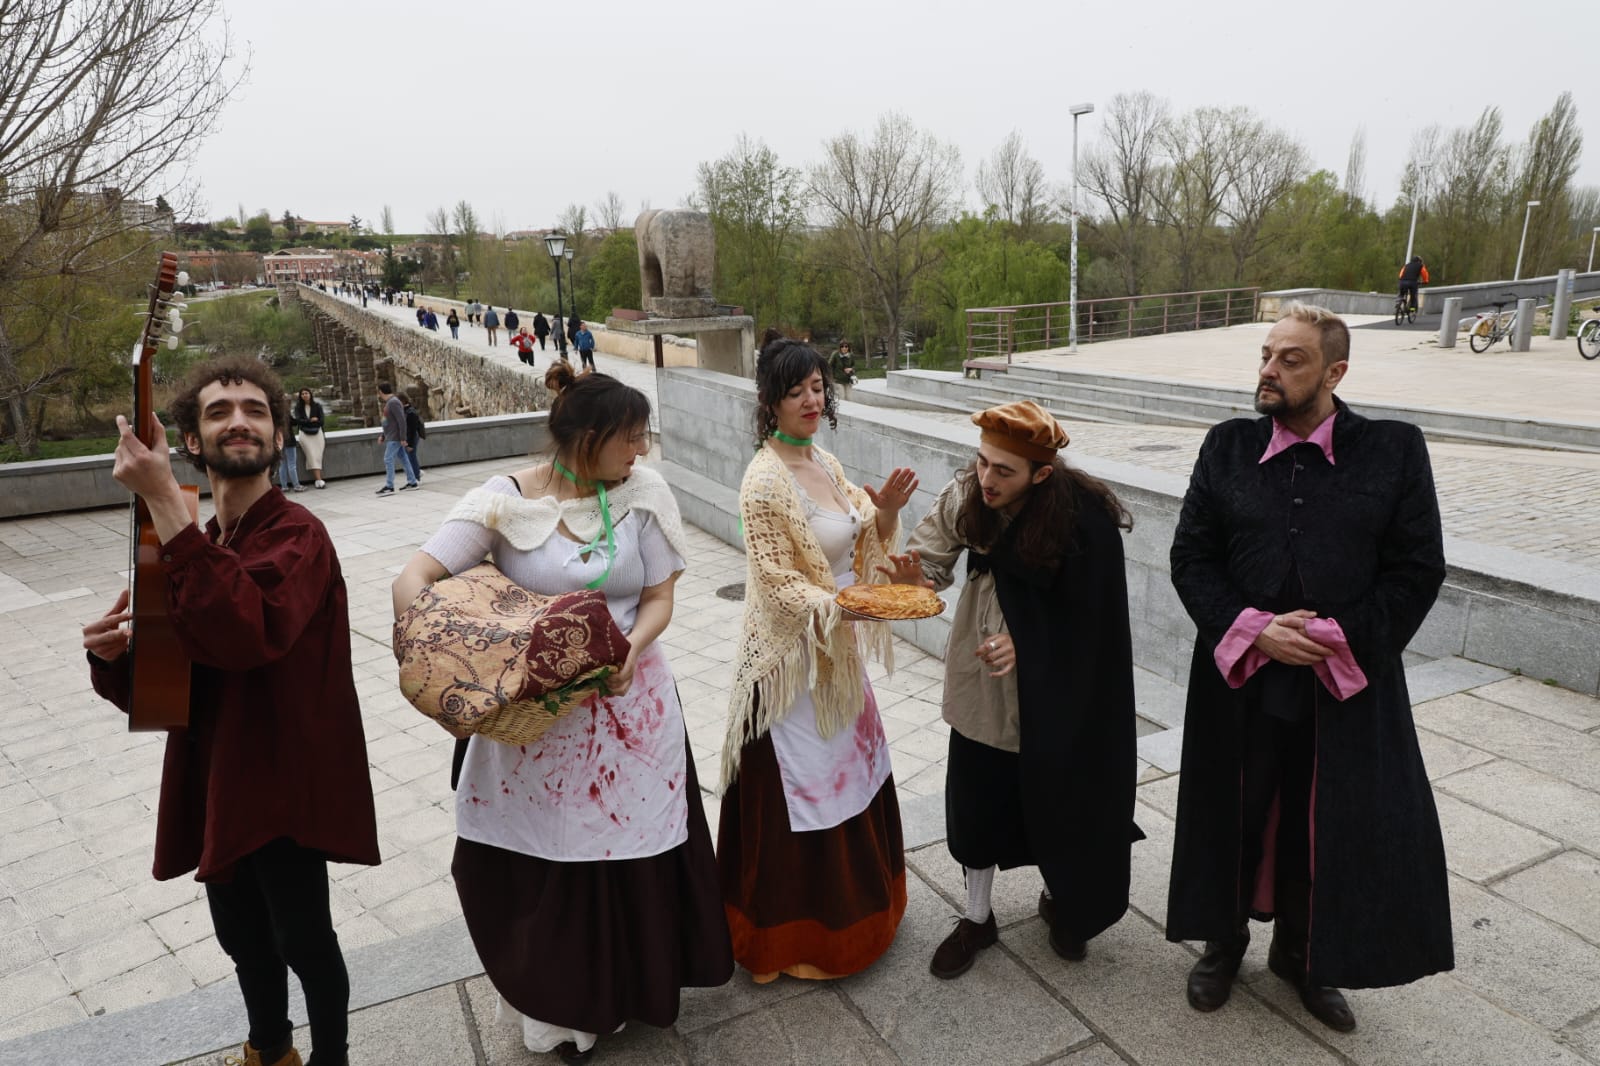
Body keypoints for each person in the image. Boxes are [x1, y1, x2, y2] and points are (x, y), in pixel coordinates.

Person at [391, 363, 733, 1062]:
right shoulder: (504, 502)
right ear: (588, 437)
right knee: (553, 857)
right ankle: (558, 1002)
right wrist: (467, 653)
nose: (640, 453)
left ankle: (630, 989)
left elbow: (660, 598)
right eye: (630, 439)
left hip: (631, 711)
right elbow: (414, 580)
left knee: (629, 850)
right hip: (537, 725)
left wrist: (632, 647)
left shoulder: (644, 495)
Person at [82, 355, 379, 1066]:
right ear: (190, 440)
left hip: (282, 776)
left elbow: (245, 631)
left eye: (255, 409)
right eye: (218, 411)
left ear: (279, 433)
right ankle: (269, 1050)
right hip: (218, 774)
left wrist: (166, 509)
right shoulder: (204, 546)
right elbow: (171, 687)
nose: (239, 421)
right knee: (242, 937)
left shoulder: (297, 534)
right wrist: (114, 658)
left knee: (304, 939)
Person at [1166, 303, 1452, 1034]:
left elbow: (1417, 568)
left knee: (1324, 821)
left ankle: (1303, 952)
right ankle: (1224, 942)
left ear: (1335, 372)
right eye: (1266, 354)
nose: (1268, 370)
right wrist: (1257, 631)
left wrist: (1331, 637)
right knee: (1236, 809)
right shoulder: (1227, 446)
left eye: (1290, 359)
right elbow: (1191, 557)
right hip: (1241, 677)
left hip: (1343, 683)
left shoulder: (1392, 450)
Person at [885, 400, 1142, 980]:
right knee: (978, 801)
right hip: (981, 679)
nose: (988, 479)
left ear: (1041, 474)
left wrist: (1028, 646)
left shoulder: (1084, 520)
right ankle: (978, 917)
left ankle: (1062, 898)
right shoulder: (966, 496)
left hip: (1059, 691)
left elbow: (1093, 620)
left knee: (1056, 798)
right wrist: (913, 580)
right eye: (982, 463)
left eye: (1005, 471)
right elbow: (928, 567)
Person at [718, 336, 917, 982]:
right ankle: (793, 943)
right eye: (796, 389)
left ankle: (865, 921)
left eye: (817, 387)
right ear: (769, 400)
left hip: (837, 652)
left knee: (856, 776)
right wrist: (842, 607)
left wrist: (884, 514)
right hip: (789, 668)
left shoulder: (824, 462)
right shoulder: (763, 481)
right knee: (802, 799)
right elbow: (776, 583)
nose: (811, 399)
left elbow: (863, 534)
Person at [375, 381, 418, 495]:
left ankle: (389, 486)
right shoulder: (390, 402)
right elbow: (388, 422)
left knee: (388, 459)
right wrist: (383, 435)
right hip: (392, 436)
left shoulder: (393, 402)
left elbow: (401, 421)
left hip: (395, 437)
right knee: (404, 458)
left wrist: (403, 438)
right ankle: (412, 482)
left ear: (380, 392)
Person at [293, 388, 327, 488]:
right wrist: (311, 420)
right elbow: (298, 421)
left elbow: (321, 421)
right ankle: (319, 480)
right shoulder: (298, 407)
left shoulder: (317, 406)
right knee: (311, 455)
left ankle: (318, 480)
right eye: (302, 394)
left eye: (306, 393)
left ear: (310, 394)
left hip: (318, 433)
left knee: (317, 456)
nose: (305, 395)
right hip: (304, 434)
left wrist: (308, 421)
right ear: (300, 396)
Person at [278, 402, 303, 492]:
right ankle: (296, 485)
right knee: (292, 464)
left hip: (279, 441)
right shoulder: (286, 414)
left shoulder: (274, 415)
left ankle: (284, 486)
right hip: (289, 441)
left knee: (282, 465)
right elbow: (294, 423)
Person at [401, 395, 426, 483]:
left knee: (411, 457)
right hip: (410, 437)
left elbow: (412, 430)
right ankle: (417, 474)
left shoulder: (410, 412)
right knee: (411, 457)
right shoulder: (407, 411)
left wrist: (410, 444)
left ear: (402, 401)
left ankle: (416, 477)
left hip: (412, 437)